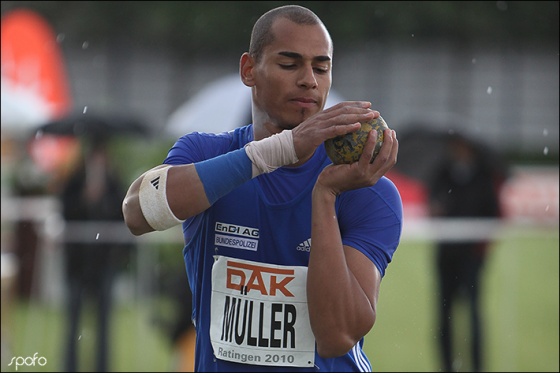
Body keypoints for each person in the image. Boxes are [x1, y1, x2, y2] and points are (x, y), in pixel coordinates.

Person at [123, 4, 402, 372]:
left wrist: (325, 196)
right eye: (290, 64)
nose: (309, 80)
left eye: (321, 67)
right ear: (249, 70)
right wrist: (281, 149)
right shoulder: (205, 152)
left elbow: (336, 336)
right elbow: (138, 212)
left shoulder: (363, 186)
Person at [428, 133, 507, 372]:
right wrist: (436, 209)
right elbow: (432, 202)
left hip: (472, 257)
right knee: (444, 315)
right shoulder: (442, 172)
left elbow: (493, 214)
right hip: (446, 255)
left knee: (473, 314)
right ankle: (446, 365)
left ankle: (477, 366)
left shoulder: (484, 177)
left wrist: (481, 246)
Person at [60, 137, 132, 372]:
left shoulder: (114, 183)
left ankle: (102, 367)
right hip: (78, 263)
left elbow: (124, 213)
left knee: (103, 325)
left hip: (103, 263)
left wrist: (103, 199)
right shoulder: (73, 181)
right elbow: (65, 210)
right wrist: (84, 198)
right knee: (72, 323)